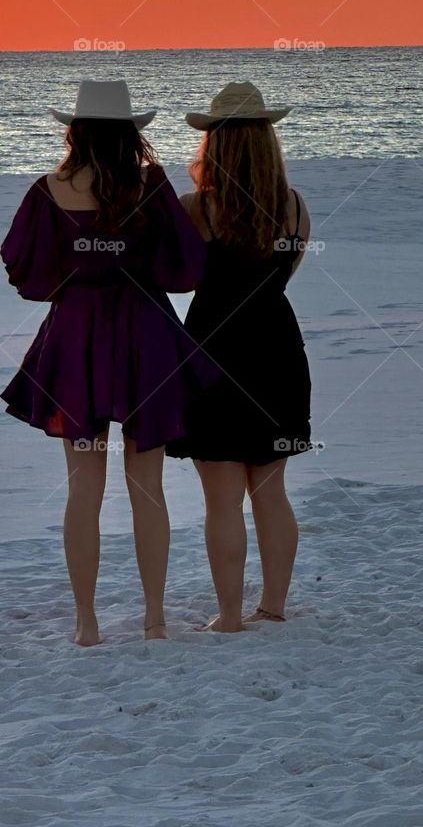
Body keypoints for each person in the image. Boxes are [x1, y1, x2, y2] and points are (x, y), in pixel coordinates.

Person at [1, 80, 213, 646]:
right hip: (145, 334)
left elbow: (27, 274)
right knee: (148, 486)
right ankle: (154, 619)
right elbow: (186, 268)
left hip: (77, 338)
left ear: (75, 131)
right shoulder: (150, 184)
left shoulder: (50, 189)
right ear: (130, 133)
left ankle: (86, 624)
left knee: (83, 488)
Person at [168, 81, 312, 632]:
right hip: (275, 346)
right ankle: (272, 607)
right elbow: (284, 274)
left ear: (215, 144)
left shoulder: (196, 207)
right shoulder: (294, 206)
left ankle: (229, 615)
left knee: (221, 501)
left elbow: (180, 281)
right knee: (271, 492)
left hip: (211, 349)